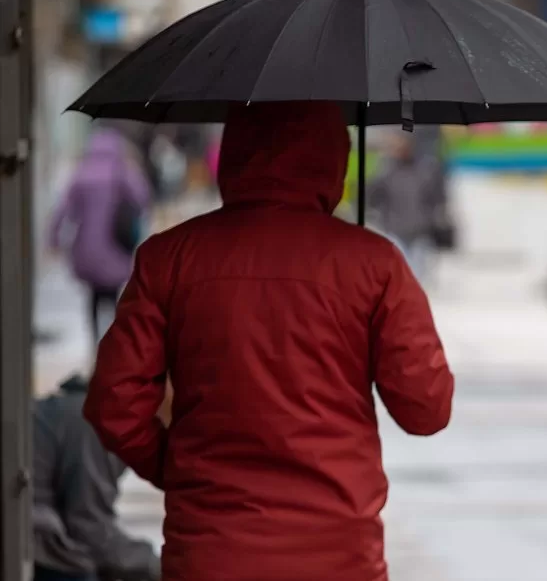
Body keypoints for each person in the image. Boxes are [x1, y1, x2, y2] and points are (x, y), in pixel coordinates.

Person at [83, 102, 456, 581]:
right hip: (338, 557)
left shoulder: (169, 258)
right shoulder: (375, 264)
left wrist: (178, 469)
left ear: (235, 152)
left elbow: (114, 403)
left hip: (210, 553)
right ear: (333, 157)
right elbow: (426, 410)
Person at [33, 374, 164, 581]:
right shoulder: (95, 424)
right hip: (26, 537)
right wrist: (159, 567)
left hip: (29, 529)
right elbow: (90, 531)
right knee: (80, 565)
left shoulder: (86, 413)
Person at [48, 127, 152, 344]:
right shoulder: (121, 172)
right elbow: (142, 198)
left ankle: (95, 339)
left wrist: (54, 238)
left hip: (86, 246)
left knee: (93, 294)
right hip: (114, 244)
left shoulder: (81, 173)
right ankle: (111, 341)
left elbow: (63, 209)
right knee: (112, 293)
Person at [366, 131, 444, 284]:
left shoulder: (425, 168)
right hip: (394, 229)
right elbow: (372, 197)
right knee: (400, 274)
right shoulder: (385, 171)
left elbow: (437, 196)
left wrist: (435, 216)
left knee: (418, 276)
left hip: (420, 230)